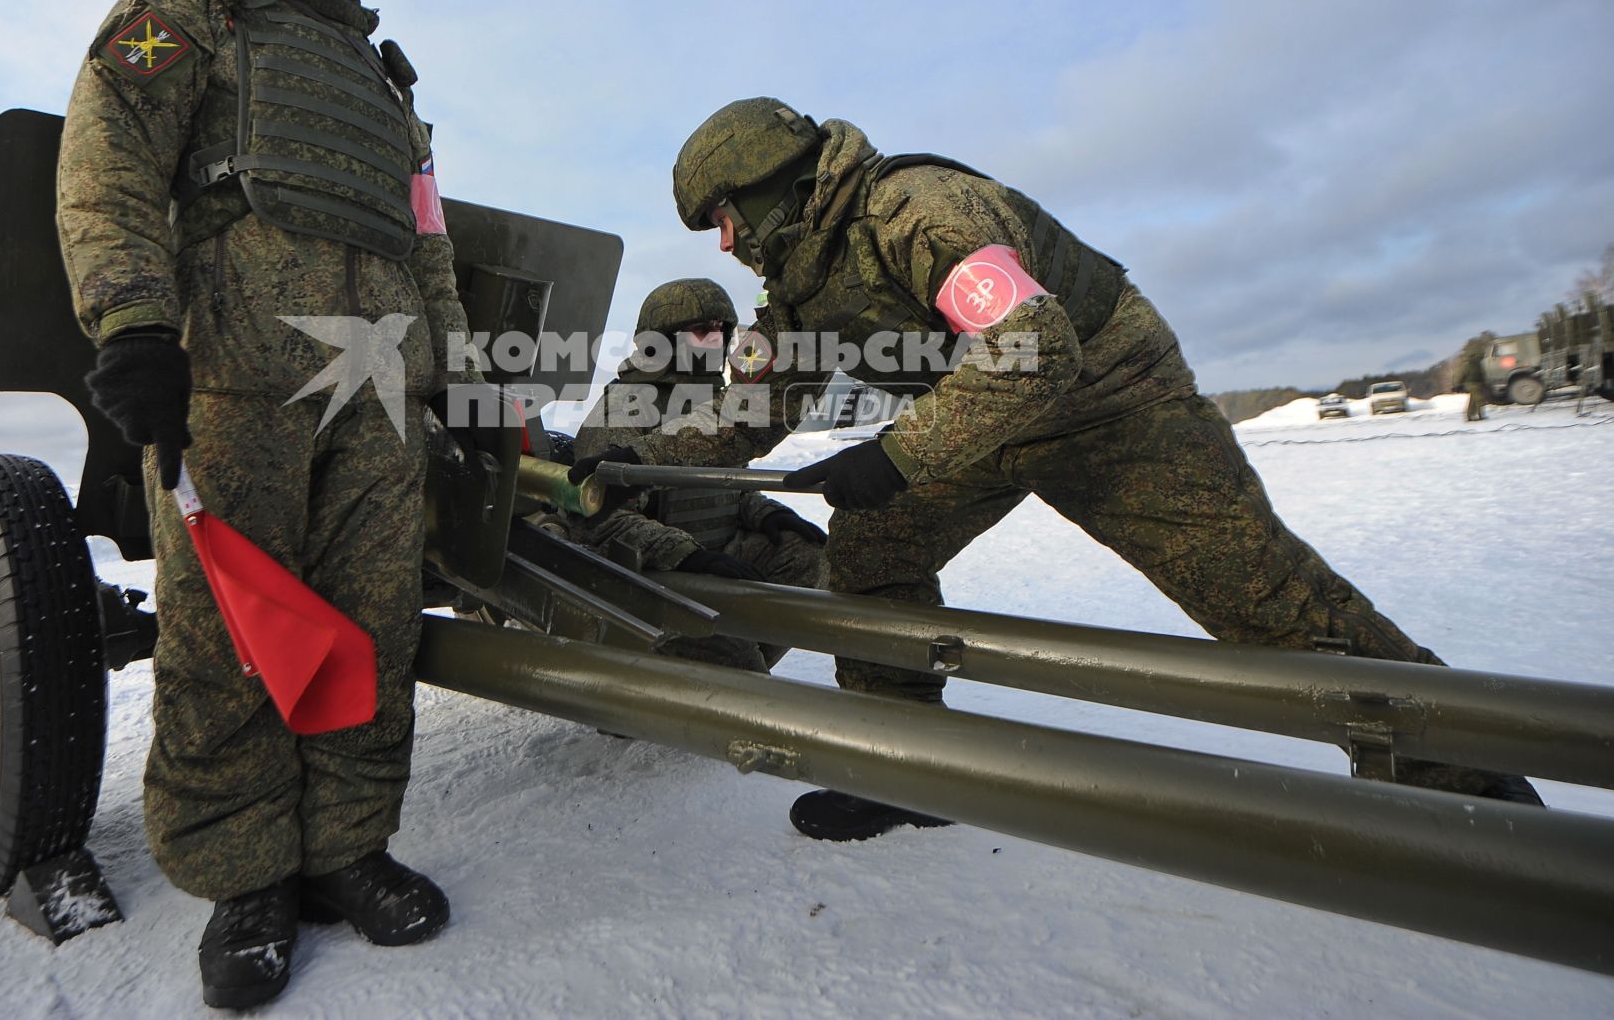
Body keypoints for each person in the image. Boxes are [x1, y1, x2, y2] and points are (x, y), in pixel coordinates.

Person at [576, 97, 1542, 843]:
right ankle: (909, 764)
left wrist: (902, 452)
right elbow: (755, 411)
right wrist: (638, 456)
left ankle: (1465, 783)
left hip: (1114, 405)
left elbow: (1035, 346)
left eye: (725, 218)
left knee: (1260, 597)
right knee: (875, 547)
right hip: (988, 422)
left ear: (767, 184)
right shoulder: (797, 286)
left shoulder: (915, 209)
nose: (727, 243)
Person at [57, 0, 478, 1009]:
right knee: (232, 627)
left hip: (379, 382)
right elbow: (108, 160)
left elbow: (427, 234)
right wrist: (134, 320)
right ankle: (245, 875)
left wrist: (441, 367)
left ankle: (346, 847)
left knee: (370, 616)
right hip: (234, 367)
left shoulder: (386, 83)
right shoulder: (189, 7)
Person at [572, 277, 827, 671]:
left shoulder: (711, 404)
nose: (717, 340)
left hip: (713, 560)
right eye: (702, 331)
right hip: (656, 578)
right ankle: (648, 678)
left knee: (807, 560)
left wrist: (766, 513)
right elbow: (603, 522)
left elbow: (726, 483)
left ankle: (730, 656)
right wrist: (688, 557)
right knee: (746, 680)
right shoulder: (623, 410)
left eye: (723, 330)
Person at [1459, 341, 1488, 421]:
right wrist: (1458, 384)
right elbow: (1462, 374)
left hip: (1475, 383)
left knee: (1473, 401)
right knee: (1479, 399)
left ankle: (1469, 416)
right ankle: (1480, 415)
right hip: (1472, 384)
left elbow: (1481, 373)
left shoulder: (1475, 364)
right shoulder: (1471, 364)